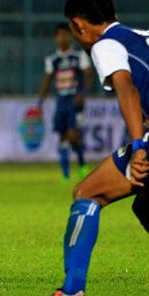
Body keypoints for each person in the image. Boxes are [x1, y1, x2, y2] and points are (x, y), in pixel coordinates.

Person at [22, 0, 149, 296]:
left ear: (79, 25)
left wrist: (140, 146)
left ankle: (70, 291)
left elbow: (126, 89)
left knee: (87, 192)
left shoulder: (106, 44)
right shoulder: (146, 36)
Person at [37, 23, 92, 181]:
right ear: (55, 38)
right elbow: (47, 81)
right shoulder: (52, 59)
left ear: (70, 36)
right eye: (60, 35)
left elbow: (88, 75)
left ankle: (82, 165)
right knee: (62, 136)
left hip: (75, 101)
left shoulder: (78, 55)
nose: (63, 38)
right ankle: (65, 174)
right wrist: (40, 104)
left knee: (73, 135)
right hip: (61, 101)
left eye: (66, 34)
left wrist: (82, 93)